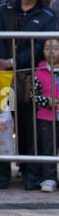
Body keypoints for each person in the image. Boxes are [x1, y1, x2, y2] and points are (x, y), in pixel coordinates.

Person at [0, 0, 57, 191]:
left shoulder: (49, 15)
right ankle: (0, 176)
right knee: (1, 123)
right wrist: (1, 63)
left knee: (30, 126)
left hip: (29, 80)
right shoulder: (1, 8)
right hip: (1, 78)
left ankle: (32, 175)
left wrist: (12, 62)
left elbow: (41, 46)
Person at [33, 38, 59, 193]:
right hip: (46, 117)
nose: (51, 51)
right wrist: (47, 101)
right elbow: (34, 95)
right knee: (48, 147)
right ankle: (49, 178)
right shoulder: (39, 72)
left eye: (55, 48)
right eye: (47, 48)